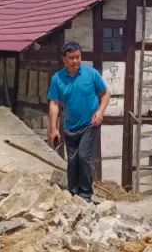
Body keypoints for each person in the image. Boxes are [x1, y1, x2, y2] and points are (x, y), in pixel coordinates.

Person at [47, 42, 110, 201]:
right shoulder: (58, 78)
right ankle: (73, 193)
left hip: (90, 124)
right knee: (73, 161)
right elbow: (54, 103)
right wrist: (53, 128)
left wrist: (100, 112)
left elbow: (106, 93)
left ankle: (86, 195)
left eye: (78, 57)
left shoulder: (92, 74)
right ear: (64, 59)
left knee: (83, 157)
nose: (75, 61)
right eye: (71, 58)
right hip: (69, 127)